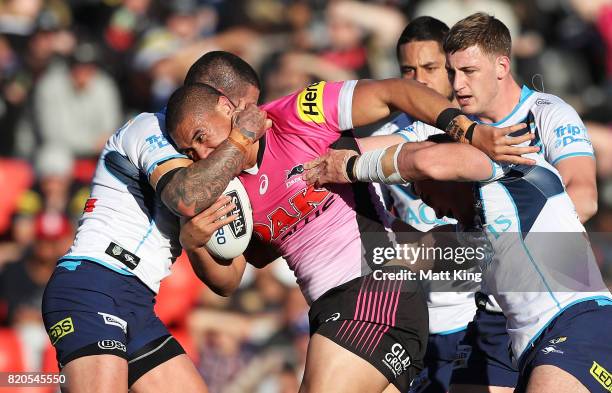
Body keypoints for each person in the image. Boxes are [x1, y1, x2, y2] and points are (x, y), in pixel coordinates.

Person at [164, 69, 536, 391]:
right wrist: (193, 243)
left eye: (200, 136)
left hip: (373, 289)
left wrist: (467, 130)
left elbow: (394, 92)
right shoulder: (227, 191)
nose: (199, 154)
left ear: (227, 108)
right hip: (332, 312)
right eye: (189, 150)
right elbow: (231, 278)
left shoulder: (295, 115)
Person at [302, 18, 611, 393]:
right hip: (516, 336)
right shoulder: (473, 207)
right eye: (452, 72)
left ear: (501, 66)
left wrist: (353, 167)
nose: (423, 201)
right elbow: (412, 248)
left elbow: (429, 162)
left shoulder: (504, 147)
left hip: (575, 322)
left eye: (466, 71)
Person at [41, 51, 267, 393]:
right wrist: (239, 139)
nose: (251, 120)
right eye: (244, 108)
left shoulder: (220, 170)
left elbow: (228, 281)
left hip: (137, 301)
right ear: (219, 101)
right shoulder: (151, 128)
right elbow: (185, 199)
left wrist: (193, 245)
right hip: (93, 285)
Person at [366, 17, 479, 393]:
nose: (418, 81)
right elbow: (373, 232)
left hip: (475, 315)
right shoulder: (381, 143)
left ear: (450, 69)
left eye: (430, 68)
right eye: (407, 71)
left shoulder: (480, 132)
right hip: (413, 322)